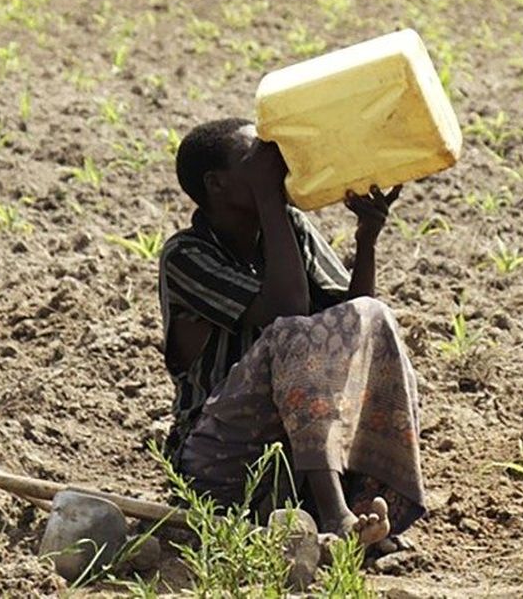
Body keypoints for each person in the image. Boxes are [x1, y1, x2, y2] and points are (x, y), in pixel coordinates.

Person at [157, 117, 425, 555]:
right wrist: (270, 199)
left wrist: (367, 238)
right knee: (290, 336)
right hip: (219, 463)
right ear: (217, 184)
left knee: (375, 316)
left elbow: (348, 325)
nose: (273, 167)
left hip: (287, 456)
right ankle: (335, 516)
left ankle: (364, 508)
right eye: (255, 160)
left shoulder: (288, 229)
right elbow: (288, 315)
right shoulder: (186, 255)